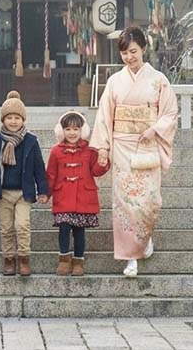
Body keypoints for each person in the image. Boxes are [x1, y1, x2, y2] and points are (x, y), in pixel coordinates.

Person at [90, 26, 178, 278]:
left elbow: (170, 112)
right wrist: (103, 147)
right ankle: (130, 258)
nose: (129, 57)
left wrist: (155, 129)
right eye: (125, 53)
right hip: (122, 146)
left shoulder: (158, 79)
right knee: (125, 205)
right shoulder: (116, 81)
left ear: (143, 49)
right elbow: (105, 116)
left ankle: (145, 239)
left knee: (150, 202)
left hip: (147, 143)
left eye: (133, 51)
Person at [0, 91, 49, 276]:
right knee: (6, 228)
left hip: (24, 192)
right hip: (3, 192)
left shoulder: (31, 141)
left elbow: (39, 168)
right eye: (9, 117)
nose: (14, 121)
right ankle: (9, 258)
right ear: (3, 120)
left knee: (22, 225)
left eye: (17, 117)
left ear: (23, 119)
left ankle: (24, 257)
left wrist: (43, 190)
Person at [45, 110, 109, 277]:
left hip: (83, 197)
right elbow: (51, 174)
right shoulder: (56, 151)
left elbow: (96, 170)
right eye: (68, 129)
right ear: (61, 131)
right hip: (63, 196)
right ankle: (64, 260)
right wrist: (46, 193)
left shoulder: (90, 150)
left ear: (83, 131)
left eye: (76, 129)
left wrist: (103, 163)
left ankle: (79, 261)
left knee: (80, 230)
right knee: (64, 228)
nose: (72, 133)